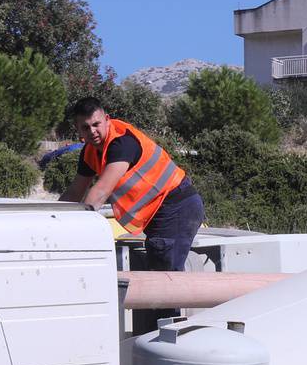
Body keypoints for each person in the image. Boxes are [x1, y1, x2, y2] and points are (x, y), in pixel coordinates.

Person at [61, 97, 204, 271]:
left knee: (165, 278)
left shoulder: (122, 143)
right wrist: (52, 217)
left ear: (107, 119)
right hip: (160, 212)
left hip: (176, 206)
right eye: (85, 127)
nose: (92, 131)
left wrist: (74, 227)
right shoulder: (90, 153)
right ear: (78, 129)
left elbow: (100, 192)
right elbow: (75, 191)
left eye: (96, 124)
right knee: (159, 273)